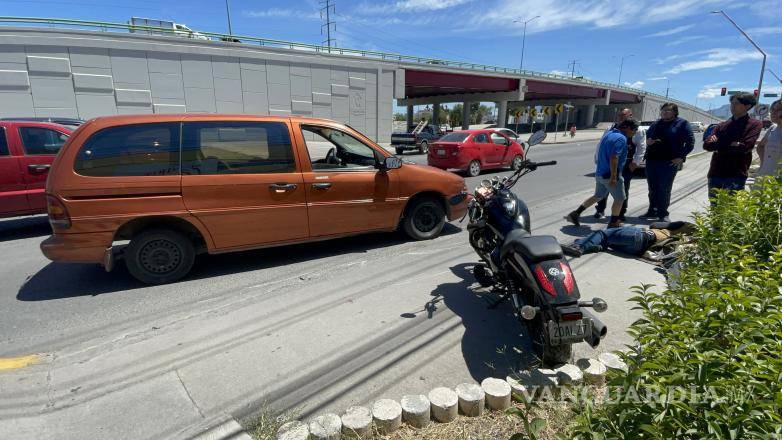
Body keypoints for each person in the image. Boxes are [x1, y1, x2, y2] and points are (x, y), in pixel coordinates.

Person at [564, 118, 639, 228]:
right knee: (620, 199)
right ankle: (614, 223)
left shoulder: (609, 134)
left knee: (598, 196)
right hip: (610, 175)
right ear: (627, 127)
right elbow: (614, 157)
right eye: (635, 129)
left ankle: (575, 213)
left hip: (600, 173)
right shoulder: (621, 138)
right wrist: (614, 177)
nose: (635, 132)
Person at [703, 92, 762, 198]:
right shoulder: (722, 125)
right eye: (732, 103)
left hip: (736, 174)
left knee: (731, 209)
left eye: (737, 103)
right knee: (714, 207)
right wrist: (732, 144)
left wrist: (718, 144)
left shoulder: (754, 124)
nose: (732, 106)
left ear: (747, 106)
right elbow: (707, 145)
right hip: (715, 172)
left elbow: (745, 147)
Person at [643, 103, 694, 222]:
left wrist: (681, 157)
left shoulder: (682, 124)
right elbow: (648, 136)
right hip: (652, 160)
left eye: (667, 110)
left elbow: (690, 142)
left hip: (669, 162)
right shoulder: (656, 123)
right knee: (652, 188)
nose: (664, 112)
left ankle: (663, 213)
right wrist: (648, 141)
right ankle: (652, 210)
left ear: (674, 112)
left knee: (664, 188)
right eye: (663, 110)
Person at [594, 108, 647, 221]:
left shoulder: (637, 130)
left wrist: (636, 162)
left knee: (623, 189)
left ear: (630, 116)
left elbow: (641, 147)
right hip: (608, 163)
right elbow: (601, 143)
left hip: (626, 163)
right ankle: (600, 210)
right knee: (604, 188)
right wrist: (597, 159)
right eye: (619, 115)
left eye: (623, 115)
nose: (620, 118)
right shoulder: (611, 128)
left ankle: (620, 213)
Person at [561, 221, 696, 257]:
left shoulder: (670, 229)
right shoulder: (679, 239)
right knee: (606, 242)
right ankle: (594, 247)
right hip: (638, 250)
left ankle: (579, 247)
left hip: (642, 236)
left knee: (603, 234)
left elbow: (655, 225)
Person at [756, 99, 782, 179]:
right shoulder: (772, 128)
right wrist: (763, 163)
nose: (773, 113)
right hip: (764, 174)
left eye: (778, 110)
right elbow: (760, 146)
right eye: (773, 109)